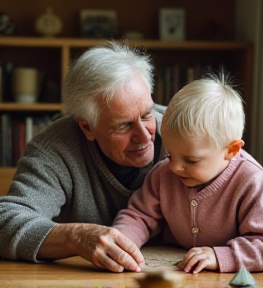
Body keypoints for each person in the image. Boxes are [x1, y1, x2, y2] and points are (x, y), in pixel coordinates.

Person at [0, 40, 168, 272]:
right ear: (88, 127)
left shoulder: (186, 131)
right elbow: (5, 221)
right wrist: (76, 237)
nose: (144, 135)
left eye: (148, 114)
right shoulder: (54, 148)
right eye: (124, 125)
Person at [112, 71, 263, 273]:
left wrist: (221, 256)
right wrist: (121, 241)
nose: (175, 167)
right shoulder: (163, 175)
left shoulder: (252, 181)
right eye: (170, 154)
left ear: (231, 150)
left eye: (190, 160)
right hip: (173, 270)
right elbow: (139, 216)